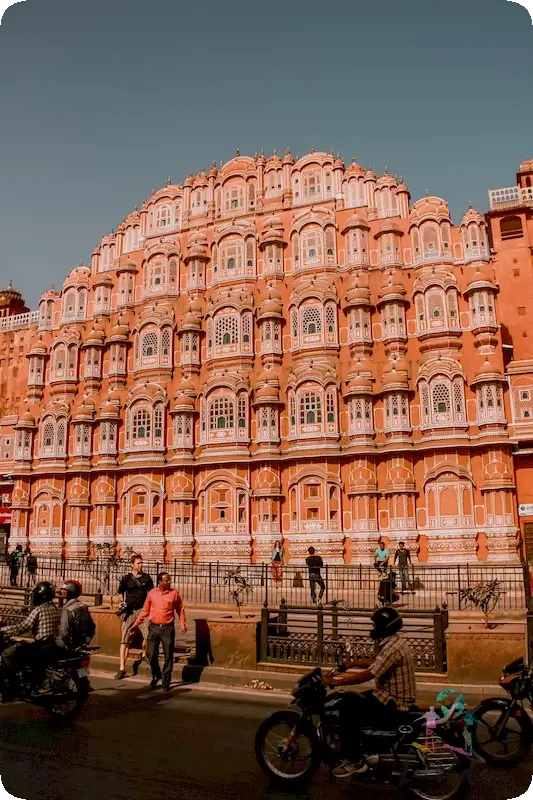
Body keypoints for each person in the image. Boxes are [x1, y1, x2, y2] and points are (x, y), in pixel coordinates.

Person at [323, 606, 416, 779]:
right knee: (353, 699)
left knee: (346, 705)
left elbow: (370, 674)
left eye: (375, 626)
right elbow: (377, 663)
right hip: (389, 695)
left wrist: (336, 682)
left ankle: (354, 759)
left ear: (383, 627)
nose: (372, 629)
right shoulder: (395, 642)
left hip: (392, 701)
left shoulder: (392, 648)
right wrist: (353, 664)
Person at [0, 581, 61, 701]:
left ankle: (13, 684)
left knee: (8, 654)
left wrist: (3, 629)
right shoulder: (54, 608)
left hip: (41, 645)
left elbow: (24, 626)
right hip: (50, 644)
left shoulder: (39, 610)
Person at [130, 571, 187, 691]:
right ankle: (156, 674)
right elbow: (145, 611)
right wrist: (135, 624)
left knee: (168, 656)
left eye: (169, 580)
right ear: (160, 581)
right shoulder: (152, 593)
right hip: (154, 627)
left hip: (167, 628)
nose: (169, 582)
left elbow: (180, 609)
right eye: (166, 580)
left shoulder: (174, 593)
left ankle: (166, 681)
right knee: (151, 654)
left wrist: (182, 624)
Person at [115, 554, 154, 680]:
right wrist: (121, 602)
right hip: (129, 611)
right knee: (124, 640)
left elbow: (151, 594)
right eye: (138, 563)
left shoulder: (147, 578)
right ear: (132, 564)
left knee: (148, 635)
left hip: (142, 611)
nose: (140, 565)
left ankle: (144, 654)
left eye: (141, 563)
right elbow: (120, 593)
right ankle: (122, 668)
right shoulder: (126, 579)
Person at [56, 580, 96, 651]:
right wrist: (85, 642)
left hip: (68, 646)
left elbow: (64, 632)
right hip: (80, 644)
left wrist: (69, 646)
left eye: (64, 590)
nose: (61, 591)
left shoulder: (68, 610)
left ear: (70, 592)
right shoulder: (83, 607)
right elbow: (92, 627)